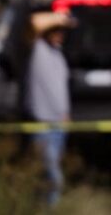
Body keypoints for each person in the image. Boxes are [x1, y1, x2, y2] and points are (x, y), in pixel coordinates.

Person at [25, 11, 75, 206]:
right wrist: (59, 18)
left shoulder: (57, 54)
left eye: (61, 31)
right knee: (53, 176)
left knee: (47, 174)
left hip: (59, 124)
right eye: (56, 30)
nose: (60, 34)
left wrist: (65, 113)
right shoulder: (38, 49)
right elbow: (34, 22)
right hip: (43, 124)